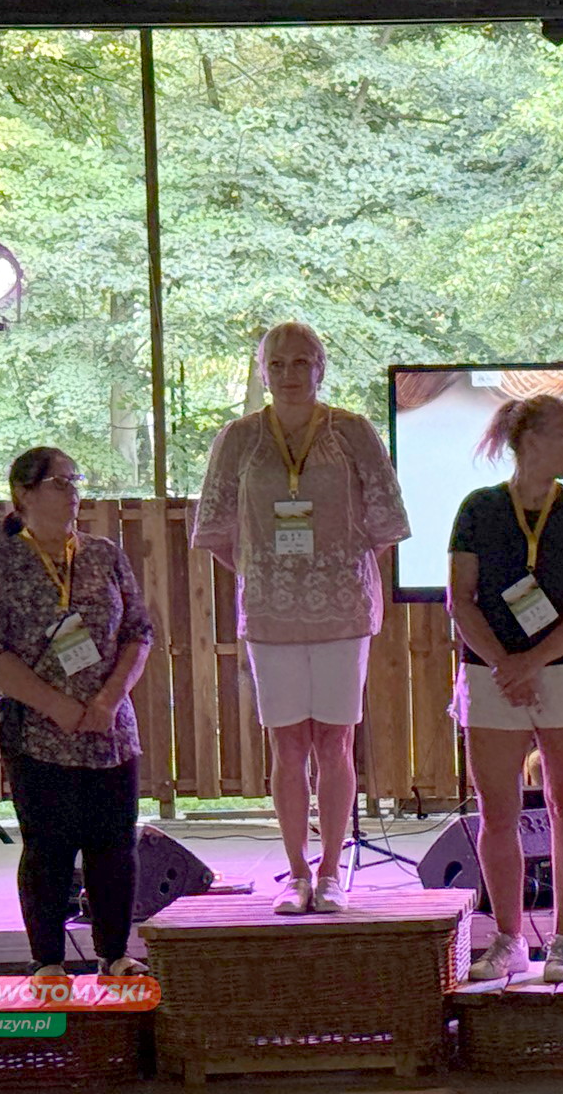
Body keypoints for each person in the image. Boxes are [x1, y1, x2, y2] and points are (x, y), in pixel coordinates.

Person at [191, 322, 410, 914]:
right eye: (277, 363)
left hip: (342, 612)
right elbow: (216, 531)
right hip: (270, 614)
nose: (289, 374)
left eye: (301, 362)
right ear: (262, 371)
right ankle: (295, 873)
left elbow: (386, 523)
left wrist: (335, 567)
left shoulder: (353, 431)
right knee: (287, 744)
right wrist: (265, 570)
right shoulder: (238, 438)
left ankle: (332, 871)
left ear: (321, 368)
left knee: (335, 742)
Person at [0, 448, 154, 979]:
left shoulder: (104, 554)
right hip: (38, 731)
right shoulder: (0, 565)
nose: (73, 491)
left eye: (76, 480)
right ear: (23, 494)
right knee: (48, 848)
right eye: (59, 482)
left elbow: (139, 632)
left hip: (109, 727)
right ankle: (48, 960)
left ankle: (115, 955)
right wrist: (57, 706)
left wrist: (108, 700)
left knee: (114, 845)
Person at [448, 394, 563, 983]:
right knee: (497, 812)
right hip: (490, 672)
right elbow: (460, 600)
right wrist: (504, 664)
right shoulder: (479, 508)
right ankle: (509, 938)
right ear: (532, 441)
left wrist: (533, 660)